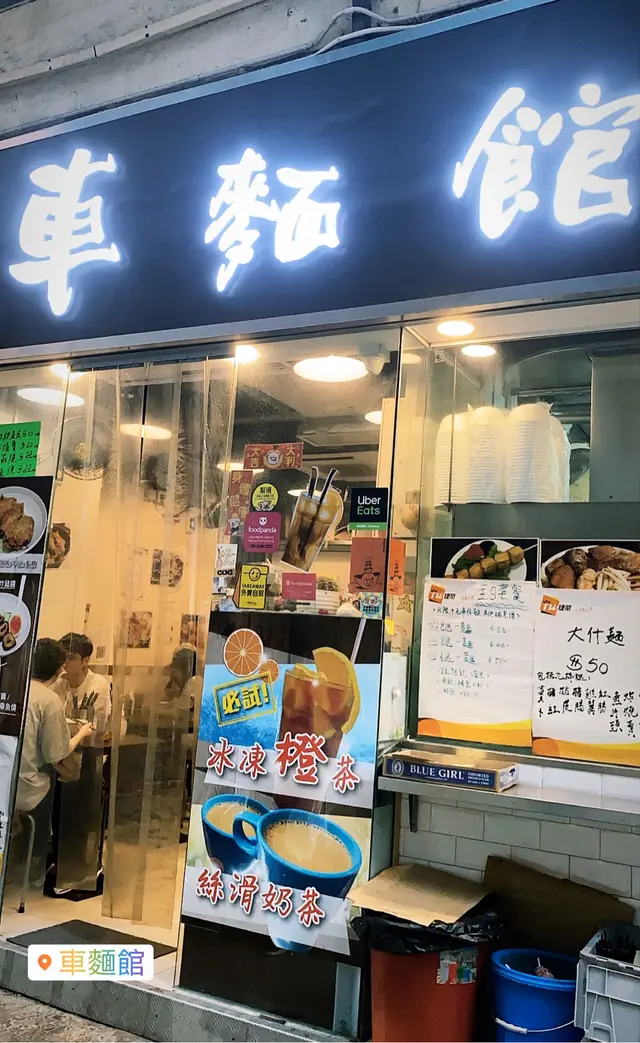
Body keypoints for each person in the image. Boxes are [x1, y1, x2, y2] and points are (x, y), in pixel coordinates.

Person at [16, 638, 94, 815]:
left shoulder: (14, 689)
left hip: (6, 777)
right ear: (60, 668)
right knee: (64, 770)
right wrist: (82, 733)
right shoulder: (49, 699)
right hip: (27, 790)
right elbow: (57, 753)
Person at [53, 632, 112, 738]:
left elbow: (86, 724)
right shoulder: (58, 682)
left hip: (93, 741)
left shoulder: (97, 684)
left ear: (85, 660)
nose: (64, 663)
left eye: (71, 658)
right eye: (62, 657)